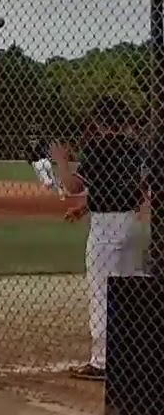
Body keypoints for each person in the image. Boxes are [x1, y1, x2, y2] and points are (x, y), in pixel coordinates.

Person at [51, 96, 148, 381]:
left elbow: (71, 186)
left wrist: (61, 161)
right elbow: (138, 190)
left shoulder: (99, 147)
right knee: (130, 290)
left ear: (100, 122)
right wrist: (85, 208)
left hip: (105, 229)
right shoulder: (137, 149)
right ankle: (134, 357)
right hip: (132, 224)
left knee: (101, 293)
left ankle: (102, 361)